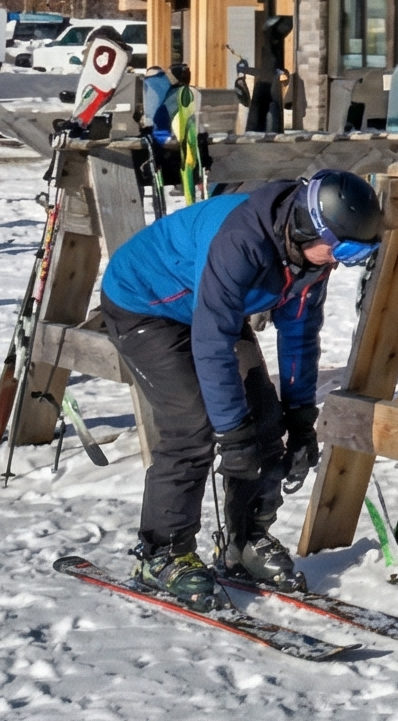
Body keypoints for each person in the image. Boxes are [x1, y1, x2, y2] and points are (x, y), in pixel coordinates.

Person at [98, 169, 383, 611]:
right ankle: (162, 552)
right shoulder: (241, 242)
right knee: (192, 426)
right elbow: (212, 341)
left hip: (207, 310)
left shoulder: (312, 257)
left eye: (358, 253)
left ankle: (245, 540)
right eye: (343, 248)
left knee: (265, 420)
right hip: (146, 306)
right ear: (309, 225)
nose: (342, 260)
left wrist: (301, 413)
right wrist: (230, 434)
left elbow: (301, 333)